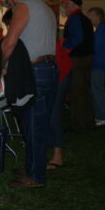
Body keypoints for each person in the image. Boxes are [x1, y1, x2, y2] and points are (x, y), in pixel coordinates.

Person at [0, 0, 57, 188]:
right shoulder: (44, 7)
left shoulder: (23, 7)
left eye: (9, 1)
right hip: (49, 68)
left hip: (34, 71)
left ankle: (35, 176)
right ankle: (35, 167)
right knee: (40, 124)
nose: (10, 5)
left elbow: (10, 41)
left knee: (32, 126)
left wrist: (1, 65)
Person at [62, 0, 95, 130]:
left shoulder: (74, 18)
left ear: (75, 5)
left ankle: (79, 124)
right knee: (85, 90)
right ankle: (89, 121)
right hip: (87, 56)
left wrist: (63, 46)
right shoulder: (84, 19)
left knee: (76, 92)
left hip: (77, 58)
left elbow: (77, 39)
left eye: (67, 5)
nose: (65, 8)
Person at [47, 36, 71, 169]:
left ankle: (58, 156)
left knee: (53, 113)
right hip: (56, 69)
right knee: (49, 111)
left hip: (59, 72)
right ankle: (49, 142)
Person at [87, 7, 105, 126]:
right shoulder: (102, 29)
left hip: (99, 64)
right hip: (101, 63)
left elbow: (95, 46)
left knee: (98, 90)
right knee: (97, 89)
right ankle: (101, 116)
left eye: (91, 15)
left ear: (98, 16)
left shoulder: (101, 29)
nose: (89, 18)